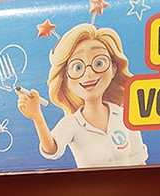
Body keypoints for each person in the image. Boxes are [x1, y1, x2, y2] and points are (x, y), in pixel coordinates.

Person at [16, 23, 148, 168]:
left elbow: (139, 162)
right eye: (77, 67)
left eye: (99, 63)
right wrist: (37, 116)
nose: (89, 73)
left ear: (113, 69)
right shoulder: (72, 123)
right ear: (65, 78)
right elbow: (51, 149)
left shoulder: (125, 117)